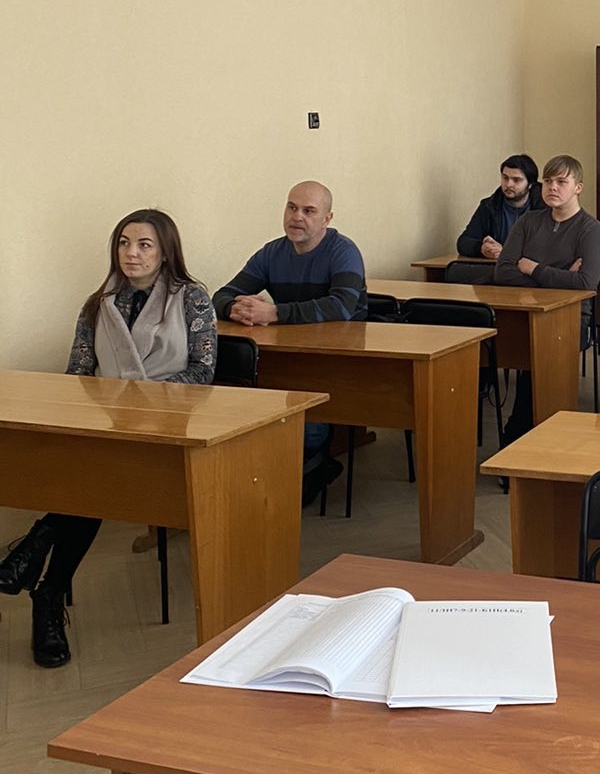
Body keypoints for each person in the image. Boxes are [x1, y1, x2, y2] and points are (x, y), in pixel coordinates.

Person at [0, 210, 216, 669]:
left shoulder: (192, 298)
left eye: (144, 244)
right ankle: (48, 593)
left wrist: (134, 400)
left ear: (165, 252)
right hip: (107, 429)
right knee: (94, 479)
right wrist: (105, 411)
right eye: (123, 242)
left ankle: (36, 549)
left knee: (93, 482)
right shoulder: (98, 304)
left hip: (171, 430)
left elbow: (202, 373)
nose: (131, 253)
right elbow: (78, 374)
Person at [212, 181, 366, 502]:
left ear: (327, 219)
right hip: (289, 355)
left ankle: (308, 469)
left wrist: (275, 312)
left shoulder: (343, 251)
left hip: (339, 357)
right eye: (292, 207)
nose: (297, 217)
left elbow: (341, 305)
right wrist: (235, 308)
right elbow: (223, 294)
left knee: (309, 422)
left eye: (309, 211)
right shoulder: (272, 252)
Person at [494, 155, 600, 440]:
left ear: (578, 188)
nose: (552, 187)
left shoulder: (591, 230)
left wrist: (533, 268)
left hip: (568, 321)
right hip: (523, 313)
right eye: (547, 181)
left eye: (561, 182)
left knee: (538, 354)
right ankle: (520, 435)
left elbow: (585, 283)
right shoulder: (528, 221)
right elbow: (503, 271)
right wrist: (560, 276)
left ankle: (519, 435)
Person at [456, 154, 543, 260]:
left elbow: (550, 249)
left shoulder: (545, 209)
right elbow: (464, 242)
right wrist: (482, 248)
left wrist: (506, 252)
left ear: (530, 184)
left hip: (530, 268)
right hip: (496, 267)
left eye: (516, 180)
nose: (509, 184)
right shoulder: (489, 206)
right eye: (505, 178)